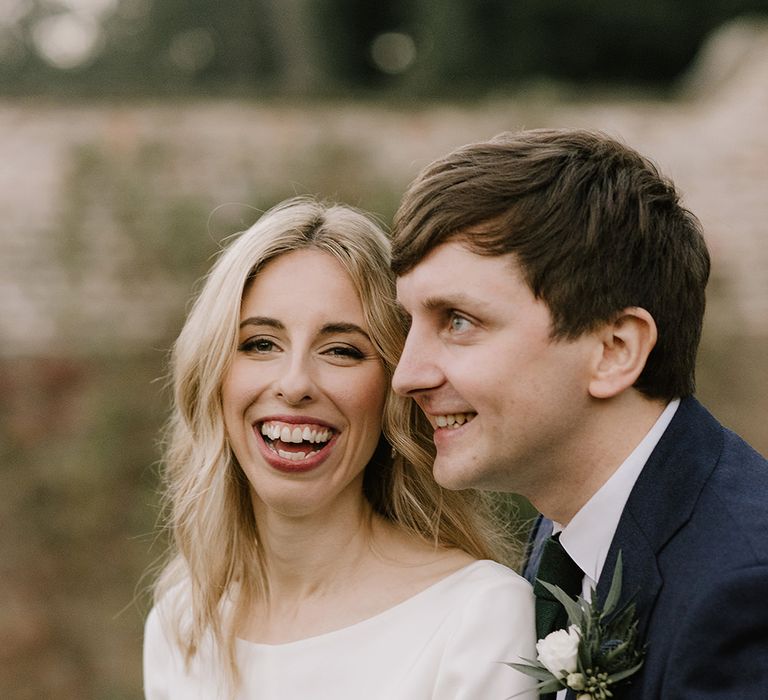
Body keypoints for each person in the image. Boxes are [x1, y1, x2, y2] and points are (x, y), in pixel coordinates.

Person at [390, 129, 768, 698]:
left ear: (615, 350)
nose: (406, 375)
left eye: (458, 321)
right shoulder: (566, 533)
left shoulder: (743, 592)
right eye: (409, 323)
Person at [143, 196, 537, 699]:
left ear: (394, 391)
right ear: (213, 375)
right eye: (261, 343)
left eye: (342, 350)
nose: (294, 384)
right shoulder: (182, 624)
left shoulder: (478, 616)